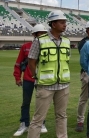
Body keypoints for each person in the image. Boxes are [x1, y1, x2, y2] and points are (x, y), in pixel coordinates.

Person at [27, 10, 71, 138]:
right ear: (53, 24)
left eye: (65, 22)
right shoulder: (40, 40)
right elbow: (31, 60)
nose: (65, 25)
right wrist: (37, 76)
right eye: (62, 22)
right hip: (45, 86)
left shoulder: (67, 41)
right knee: (38, 119)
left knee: (62, 115)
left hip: (63, 86)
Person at [13, 24, 48, 136]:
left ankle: (42, 123)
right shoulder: (26, 46)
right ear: (34, 34)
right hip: (28, 79)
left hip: (42, 80)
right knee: (26, 102)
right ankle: (24, 123)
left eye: (44, 33)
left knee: (42, 103)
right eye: (40, 33)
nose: (42, 35)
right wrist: (17, 77)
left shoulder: (48, 47)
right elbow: (18, 63)